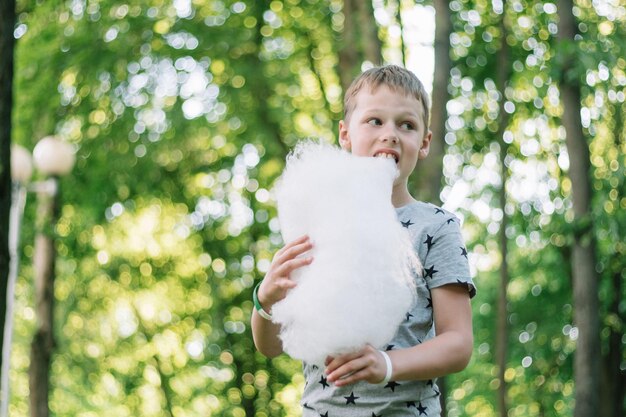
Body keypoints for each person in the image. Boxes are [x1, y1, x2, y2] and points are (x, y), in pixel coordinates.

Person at [251, 64, 476, 417]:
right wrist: (265, 300)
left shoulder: (436, 226)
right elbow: (270, 347)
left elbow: (458, 343)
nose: (390, 134)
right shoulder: (318, 218)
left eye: (407, 125)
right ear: (345, 135)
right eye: (375, 121)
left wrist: (386, 364)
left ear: (424, 142)